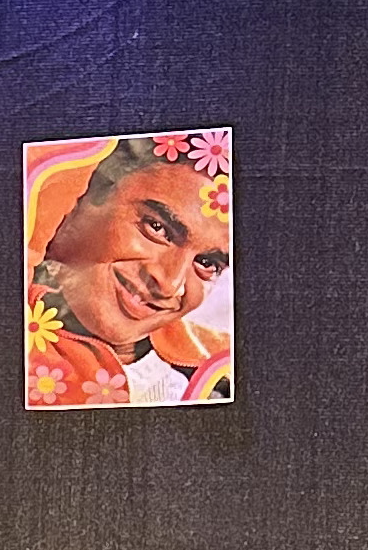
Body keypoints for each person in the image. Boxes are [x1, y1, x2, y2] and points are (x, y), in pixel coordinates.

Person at [27, 131, 233, 406]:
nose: (170, 284)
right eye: (157, 228)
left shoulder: (223, 367)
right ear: (89, 194)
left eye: (207, 263)